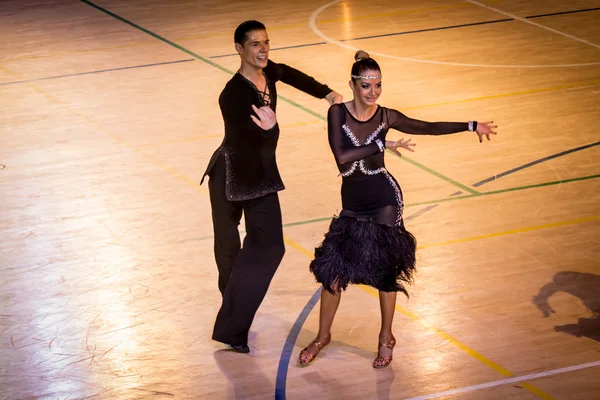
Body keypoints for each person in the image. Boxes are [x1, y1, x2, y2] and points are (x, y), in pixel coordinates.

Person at [298, 50, 497, 368]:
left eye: (378, 85)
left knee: (385, 272)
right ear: (352, 85)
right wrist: (381, 144)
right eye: (366, 86)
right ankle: (323, 336)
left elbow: (428, 126)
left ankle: (386, 337)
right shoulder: (337, 113)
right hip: (353, 203)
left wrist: (471, 125)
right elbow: (342, 155)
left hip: (384, 198)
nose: (373, 92)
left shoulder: (386, 116)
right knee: (332, 274)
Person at [200, 20, 343, 354]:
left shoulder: (270, 73)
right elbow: (254, 138)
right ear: (239, 49)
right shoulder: (232, 95)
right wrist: (272, 129)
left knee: (270, 247)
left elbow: (291, 73)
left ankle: (233, 317)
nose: (263, 50)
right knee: (227, 250)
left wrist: (326, 92)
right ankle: (234, 327)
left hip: (259, 174)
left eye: (266, 43)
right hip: (230, 174)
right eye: (255, 45)